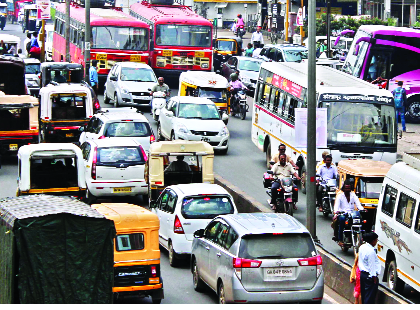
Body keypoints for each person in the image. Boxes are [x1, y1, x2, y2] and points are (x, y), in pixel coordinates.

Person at [333, 180, 364, 244]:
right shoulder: (340, 196)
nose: (347, 189)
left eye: (349, 188)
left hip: (352, 214)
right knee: (342, 219)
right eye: (346, 188)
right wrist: (336, 212)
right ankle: (340, 239)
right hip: (343, 213)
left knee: (361, 220)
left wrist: (362, 209)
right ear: (343, 188)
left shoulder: (353, 195)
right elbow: (336, 206)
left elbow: (358, 204)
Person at [358, 232, 380, 304]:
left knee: (364, 295)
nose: (376, 242)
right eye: (376, 240)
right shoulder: (371, 252)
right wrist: (374, 278)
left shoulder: (362, 247)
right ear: (373, 241)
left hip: (362, 275)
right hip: (370, 276)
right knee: (370, 297)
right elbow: (372, 266)